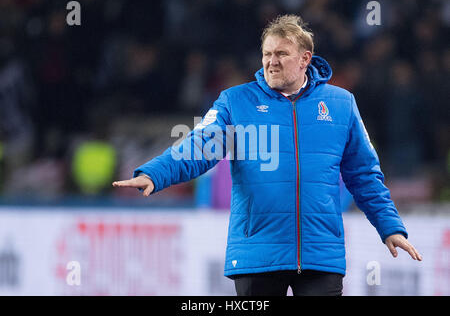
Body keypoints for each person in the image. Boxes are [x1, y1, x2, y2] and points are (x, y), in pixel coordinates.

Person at [113, 15, 422, 296]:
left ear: (305, 59)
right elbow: (198, 145)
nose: (271, 62)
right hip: (257, 255)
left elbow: (364, 174)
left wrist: (389, 226)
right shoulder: (235, 101)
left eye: (281, 54)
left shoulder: (341, 104)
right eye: (267, 54)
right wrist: (155, 172)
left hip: (320, 255)